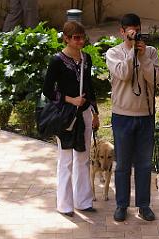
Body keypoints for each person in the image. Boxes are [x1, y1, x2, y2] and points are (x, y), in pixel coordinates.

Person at [106, 13, 159, 222]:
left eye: (136, 30)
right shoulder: (113, 53)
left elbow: (156, 78)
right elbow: (123, 73)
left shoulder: (150, 52)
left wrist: (143, 57)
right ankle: (121, 205)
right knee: (122, 165)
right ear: (121, 32)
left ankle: (144, 205)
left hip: (145, 115)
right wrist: (131, 53)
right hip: (122, 116)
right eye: (129, 31)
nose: (133, 34)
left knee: (144, 164)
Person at [43, 21, 99, 217]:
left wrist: (95, 112)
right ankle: (64, 205)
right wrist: (70, 99)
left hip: (84, 114)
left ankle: (83, 202)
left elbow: (90, 87)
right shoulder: (56, 61)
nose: (80, 41)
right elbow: (48, 90)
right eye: (76, 37)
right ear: (66, 38)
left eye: (82, 37)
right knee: (66, 159)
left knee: (83, 158)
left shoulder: (87, 58)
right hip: (65, 116)